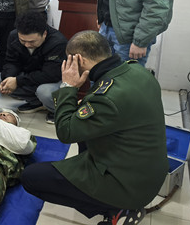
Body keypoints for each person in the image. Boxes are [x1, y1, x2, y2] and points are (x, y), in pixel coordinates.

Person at [21, 30, 167, 225]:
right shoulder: (137, 71)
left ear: (79, 60)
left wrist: (68, 87)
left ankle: (117, 209)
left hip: (129, 186)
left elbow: (66, 132)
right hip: (147, 172)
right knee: (82, 122)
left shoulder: (107, 97)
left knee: (31, 177)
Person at [0, 12, 66, 122]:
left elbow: (50, 75)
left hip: (53, 80)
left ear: (44, 34)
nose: (27, 45)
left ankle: (59, 110)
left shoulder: (57, 42)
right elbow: (11, 62)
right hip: (31, 75)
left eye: (32, 42)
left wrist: (18, 81)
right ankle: (37, 102)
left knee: (44, 92)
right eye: (23, 41)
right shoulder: (13, 36)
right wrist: (9, 78)